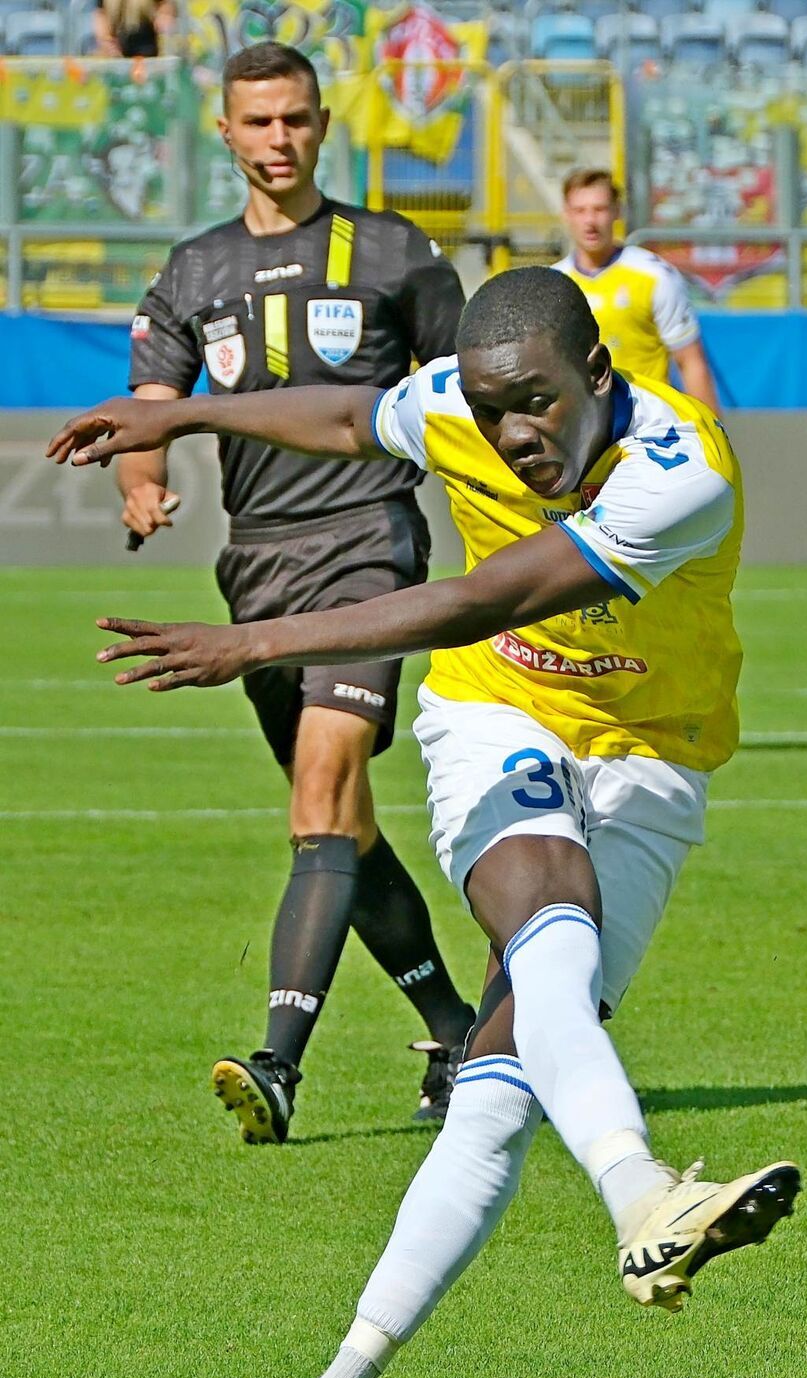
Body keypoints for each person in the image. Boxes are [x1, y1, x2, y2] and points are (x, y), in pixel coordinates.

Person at [49, 264, 801, 1378]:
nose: (516, 436)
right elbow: (353, 414)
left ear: (598, 376)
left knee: (501, 1091)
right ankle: (642, 1195)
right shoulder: (459, 396)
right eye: (497, 410)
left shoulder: (683, 469)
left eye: (542, 407)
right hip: (498, 715)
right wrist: (181, 413)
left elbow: (479, 593)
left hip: (655, 754)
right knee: (547, 907)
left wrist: (258, 641)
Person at [121, 41, 475, 1142]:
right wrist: (143, 487)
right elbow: (148, 408)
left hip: (367, 543)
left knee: (321, 787)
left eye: (297, 121)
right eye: (259, 123)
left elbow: (467, 392)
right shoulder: (193, 272)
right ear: (223, 134)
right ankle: (461, 1032)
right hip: (259, 564)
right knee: (345, 825)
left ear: (325, 126)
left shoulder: (394, 252)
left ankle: (278, 1064)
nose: (280, 141)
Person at [554, 167, 721, 412]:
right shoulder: (555, 283)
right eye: (580, 211)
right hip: (580, 426)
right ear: (566, 214)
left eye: (599, 209)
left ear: (616, 212)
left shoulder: (654, 276)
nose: (590, 221)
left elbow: (690, 362)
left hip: (645, 424)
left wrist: (713, 436)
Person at [93, 0, 175, 58]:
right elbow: (100, 12)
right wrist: (105, 39)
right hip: (118, 49)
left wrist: (163, 15)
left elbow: (165, 5)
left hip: (146, 47)